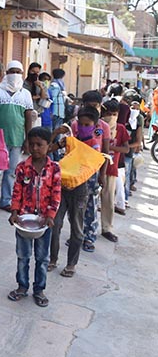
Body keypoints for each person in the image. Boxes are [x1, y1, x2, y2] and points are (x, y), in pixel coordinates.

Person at [8, 127, 61, 307]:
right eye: (32, 144)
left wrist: (51, 215)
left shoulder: (54, 168)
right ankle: (22, 286)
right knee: (23, 256)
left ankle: (39, 289)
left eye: (40, 145)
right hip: (25, 219)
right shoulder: (23, 167)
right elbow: (17, 191)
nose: (35, 148)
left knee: (42, 257)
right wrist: (14, 212)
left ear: (49, 146)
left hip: (44, 222)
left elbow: (56, 194)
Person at [49, 106, 104, 277]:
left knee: (77, 228)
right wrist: (56, 132)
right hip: (62, 187)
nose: (83, 126)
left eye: (87, 124)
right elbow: (48, 148)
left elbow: (93, 166)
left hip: (80, 190)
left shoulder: (94, 146)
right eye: (80, 123)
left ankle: (71, 264)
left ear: (95, 125)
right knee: (55, 224)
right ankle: (52, 259)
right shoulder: (69, 140)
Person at [0, 60, 33, 215]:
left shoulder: (25, 94)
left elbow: (28, 117)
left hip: (16, 139)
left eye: (18, 71)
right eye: (12, 71)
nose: (15, 74)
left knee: (11, 172)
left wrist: (28, 139)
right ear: (7, 73)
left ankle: (6, 201)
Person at [78, 90, 110, 253]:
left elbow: (105, 151)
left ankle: (89, 236)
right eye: (89, 106)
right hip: (76, 169)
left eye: (95, 106)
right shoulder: (77, 123)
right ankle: (77, 234)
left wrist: (102, 174)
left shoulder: (103, 127)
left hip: (92, 171)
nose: (92, 110)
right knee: (76, 205)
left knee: (90, 204)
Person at [99, 100, 129, 243]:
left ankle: (107, 228)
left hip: (111, 169)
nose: (111, 117)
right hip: (95, 168)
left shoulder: (121, 129)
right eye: (108, 114)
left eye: (114, 114)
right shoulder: (98, 126)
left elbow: (126, 149)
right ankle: (85, 230)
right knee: (89, 202)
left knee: (108, 201)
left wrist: (109, 148)